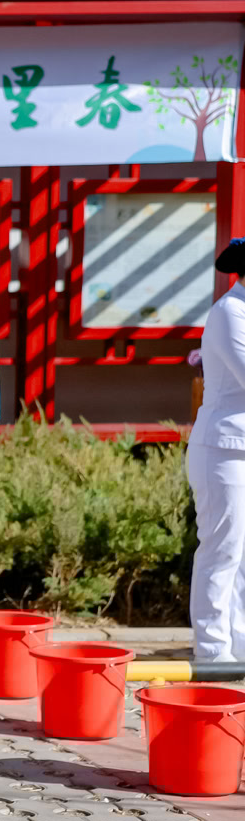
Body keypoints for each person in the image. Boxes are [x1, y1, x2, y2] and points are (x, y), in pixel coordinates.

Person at [188, 238, 245, 664]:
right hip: (223, 449)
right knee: (221, 549)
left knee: (242, 556)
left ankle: (238, 646)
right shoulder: (230, 312)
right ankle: (212, 652)